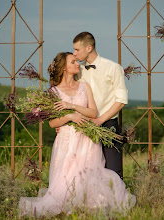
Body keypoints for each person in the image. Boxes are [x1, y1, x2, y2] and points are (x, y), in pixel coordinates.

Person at [18, 52, 135, 218]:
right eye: (73, 62)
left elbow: (93, 112)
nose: (77, 64)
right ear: (64, 67)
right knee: (67, 176)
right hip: (67, 139)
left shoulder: (84, 86)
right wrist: (69, 116)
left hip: (86, 138)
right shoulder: (53, 92)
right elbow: (52, 123)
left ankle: (89, 205)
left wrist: (71, 105)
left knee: (88, 172)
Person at [73, 32, 128, 178]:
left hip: (108, 125)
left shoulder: (113, 68)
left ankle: (116, 201)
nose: (74, 53)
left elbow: (121, 100)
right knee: (86, 172)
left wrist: (100, 120)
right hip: (85, 126)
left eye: (77, 50)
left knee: (112, 171)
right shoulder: (77, 72)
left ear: (89, 48)